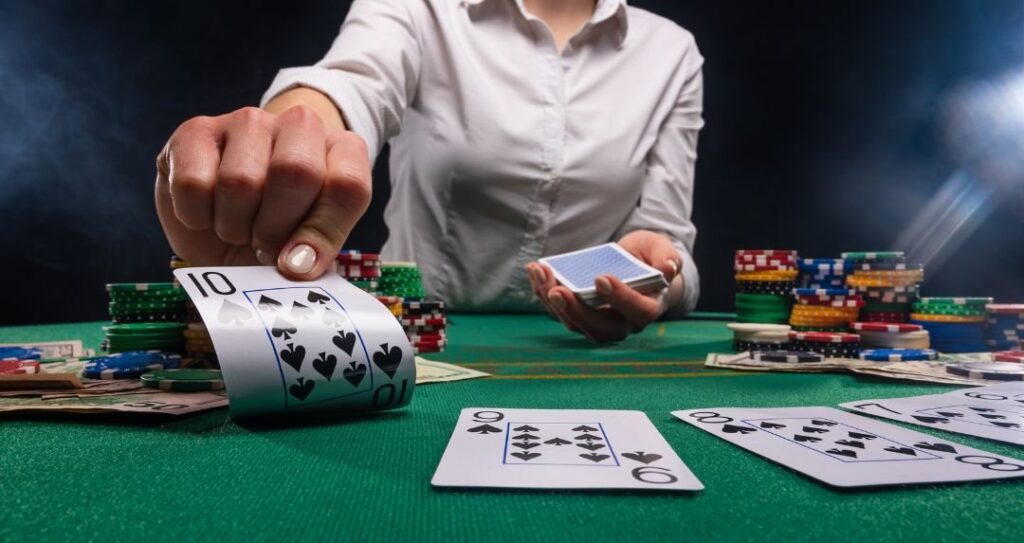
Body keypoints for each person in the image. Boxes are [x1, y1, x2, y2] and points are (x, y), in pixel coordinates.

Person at [155, 0, 704, 342]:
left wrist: (659, 282)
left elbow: (670, 241)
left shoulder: (672, 52)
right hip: (403, 334)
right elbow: (355, 83)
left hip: (588, 357)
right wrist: (290, 138)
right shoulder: (417, 8)